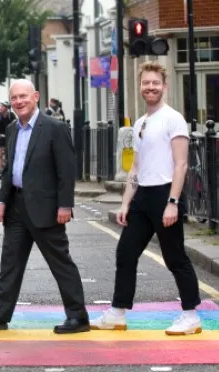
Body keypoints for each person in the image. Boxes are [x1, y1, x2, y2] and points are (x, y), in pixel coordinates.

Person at [0, 79, 89, 334]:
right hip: (17, 206)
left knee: (60, 263)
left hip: (46, 208)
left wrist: (65, 205)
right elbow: (10, 170)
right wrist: (2, 201)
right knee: (10, 263)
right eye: (14, 98)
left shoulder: (54, 128)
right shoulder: (11, 129)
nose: (19, 102)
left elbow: (66, 171)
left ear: (36, 97)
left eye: (24, 96)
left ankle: (78, 317)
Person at [90, 61, 202, 336]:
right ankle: (117, 313)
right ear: (140, 87)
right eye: (145, 83)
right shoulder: (140, 123)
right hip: (143, 197)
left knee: (175, 257)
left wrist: (173, 202)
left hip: (165, 194)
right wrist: (126, 203)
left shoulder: (173, 118)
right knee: (126, 253)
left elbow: (181, 164)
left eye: (155, 83)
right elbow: (136, 169)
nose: (150, 87)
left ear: (164, 86)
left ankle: (190, 316)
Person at [0, 101, 16, 179]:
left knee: (10, 154)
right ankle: (0, 170)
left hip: (9, 137)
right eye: (0, 106)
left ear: (6, 108)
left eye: (2, 106)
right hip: (0, 137)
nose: (0, 108)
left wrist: (14, 133)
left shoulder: (11, 115)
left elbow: (15, 124)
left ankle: (11, 169)